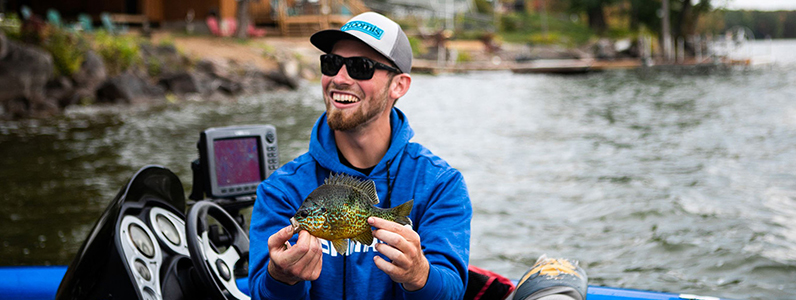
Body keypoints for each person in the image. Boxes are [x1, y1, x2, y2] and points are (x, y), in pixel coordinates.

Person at [248, 12, 472, 300]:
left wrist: (421, 276)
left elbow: (452, 290)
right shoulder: (281, 190)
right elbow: (259, 293)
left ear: (399, 85)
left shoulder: (441, 184)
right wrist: (280, 279)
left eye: (360, 67)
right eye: (330, 63)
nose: (339, 78)